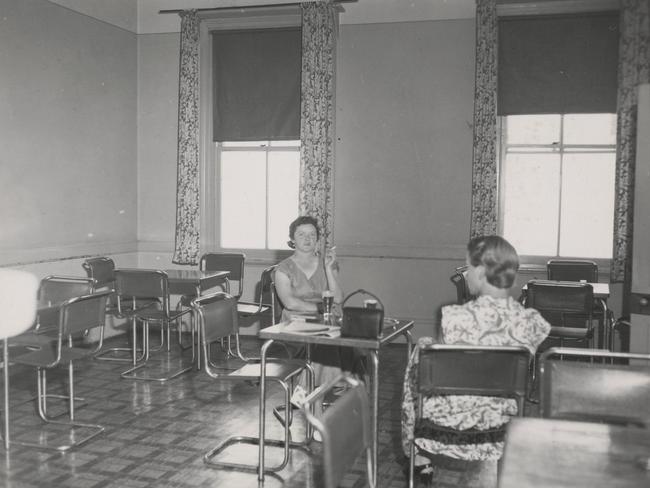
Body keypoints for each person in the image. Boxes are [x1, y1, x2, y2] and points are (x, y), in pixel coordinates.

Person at [401, 235, 550, 471]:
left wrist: (425, 347)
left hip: (447, 429)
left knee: (422, 350)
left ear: (481, 272)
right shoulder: (532, 323)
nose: (467, 274)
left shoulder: (454, 317)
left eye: (468, 267)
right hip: (502, 430)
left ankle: (416, 453)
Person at [274, 215, 348, 402]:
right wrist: (322, 308)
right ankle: (333, 391)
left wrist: (329, 269)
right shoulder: (283, 268)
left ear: (317, 239)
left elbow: (338, 298)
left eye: (312, 235)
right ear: (292, 239)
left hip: (327, 322)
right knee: (324, 346)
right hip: (296, 324)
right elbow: (290, 303)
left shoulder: (327, 263)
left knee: (329, 344)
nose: (307, 239)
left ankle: (304, 394)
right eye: (301, 235)